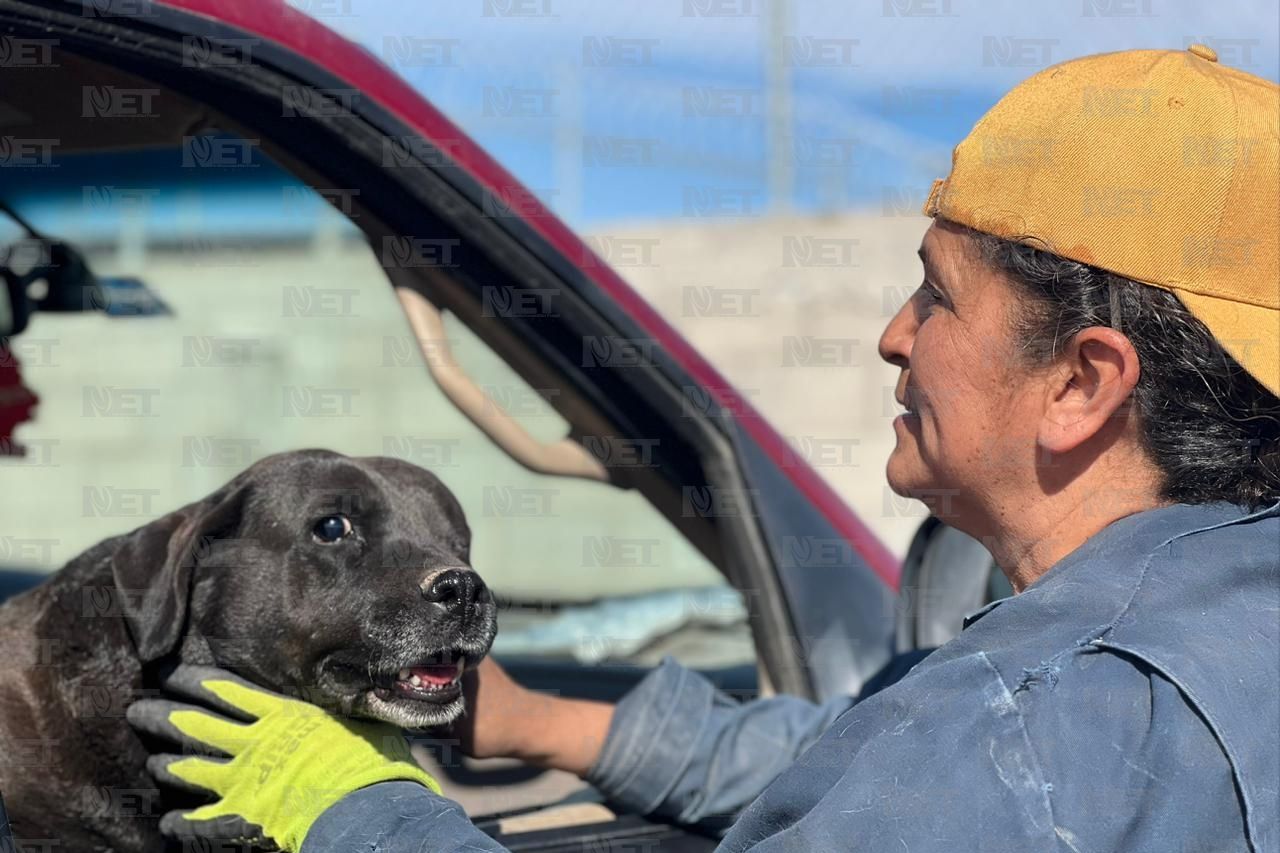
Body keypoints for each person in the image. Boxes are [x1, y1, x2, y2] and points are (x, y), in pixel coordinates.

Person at [129, 45, 1280, 852]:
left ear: (1079, 384)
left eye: (934, 298)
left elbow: (968, 761)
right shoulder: (1214, 622)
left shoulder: (1035, 722)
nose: (892, 336)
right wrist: (546, 725)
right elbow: (871, 761)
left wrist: (356, 807)